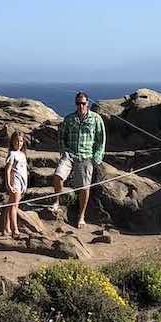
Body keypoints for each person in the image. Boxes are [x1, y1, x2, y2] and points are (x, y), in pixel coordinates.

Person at [53, 91, 105, 228]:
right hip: (69, 154)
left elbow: (101, 140)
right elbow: (61, 136)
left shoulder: (96, 118)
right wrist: (63, 151)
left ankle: (81, 216)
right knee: (58, 176)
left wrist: (96, 158)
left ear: (87, 103)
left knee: (84, 188)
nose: (80, 106)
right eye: (78, 103)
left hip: (86, 156)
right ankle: (57, 202)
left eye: (83, 103)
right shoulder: (69, 119)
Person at [1, 130, 29, 238]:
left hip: (22, 182)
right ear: (12, 142)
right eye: (16, 141)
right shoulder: (12, 154)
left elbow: (24, 170)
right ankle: (15, 229)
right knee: (14, 206)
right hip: (15, 182)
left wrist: (25, 185)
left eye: (21, 141)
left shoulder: (22, 154)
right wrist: (8, 184)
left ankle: (5, 228)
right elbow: (8, 170)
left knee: (11, 204)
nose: (19, 143)